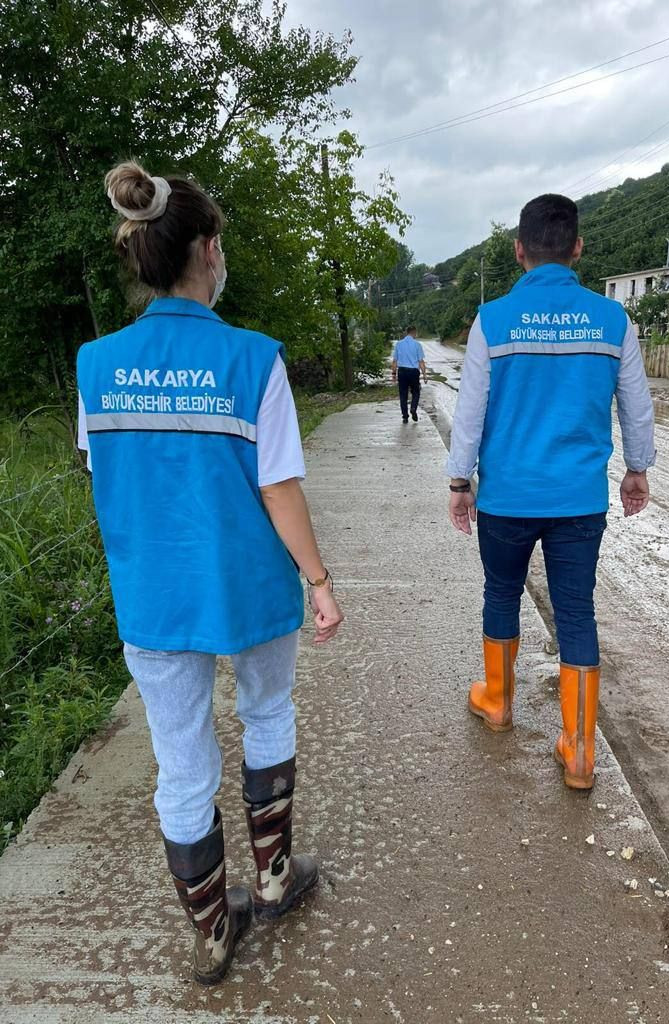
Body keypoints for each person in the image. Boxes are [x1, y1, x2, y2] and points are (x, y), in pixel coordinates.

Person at [77, 161, 344, 985]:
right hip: (250, 587)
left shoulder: (95, 365)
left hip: (154, 596)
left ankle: (212, 931)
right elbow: (278, 485)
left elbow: (106, 474)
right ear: (208, 250)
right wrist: (319, 580)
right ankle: (271, 881)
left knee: (180, 758)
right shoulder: (254, 359)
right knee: (267, 712)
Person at [445, 193, 655, 791]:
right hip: (579, 502)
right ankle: (580, 748)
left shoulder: (493, 320)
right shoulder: (613, 320)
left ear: (518, 252)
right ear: (578, 249)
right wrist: (637, 469)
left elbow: (471, 413)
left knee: (501, 591)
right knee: (577, 612)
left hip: (507, 499)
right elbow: (637, 408)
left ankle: (497, 702)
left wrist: (460, 482)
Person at [391, 325, 427, 423]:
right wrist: (424, 375)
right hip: (413, 372)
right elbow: (421, 362)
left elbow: (394, 361)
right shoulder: (417, 345)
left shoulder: (399, 344)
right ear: (414, 332)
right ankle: (413, 408)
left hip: (402, 371)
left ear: (407, 332)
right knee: (416, 392)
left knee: (403, 394)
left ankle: (405, 417)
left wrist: (394, 374)